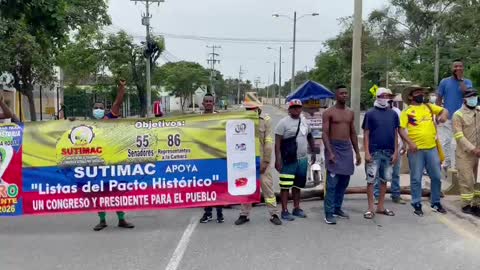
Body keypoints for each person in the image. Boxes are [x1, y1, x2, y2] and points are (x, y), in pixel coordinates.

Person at [399, 85, 449, 217]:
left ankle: (436, 202)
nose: (421, 94)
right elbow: (401, 129)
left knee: (437, 177)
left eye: (421, 92)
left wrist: (442, 117)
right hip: (416, 150)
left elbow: (445, 111)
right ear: (411, 96)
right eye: (417, 92)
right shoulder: (407, 112)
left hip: (432, 148)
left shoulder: (428, 107)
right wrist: (410, 143)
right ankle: (416, 203)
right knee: (416, 178)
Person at [92, 79, 135, 231]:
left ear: (105, 110)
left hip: (114, 162)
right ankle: (102, 220)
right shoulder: (87, 125)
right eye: (96, 108)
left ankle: (121, 219)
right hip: (97, 163)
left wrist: (122, 88)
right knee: (99, 193)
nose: (98, 109)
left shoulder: (110, 118)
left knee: (117, 191)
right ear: (92, 110)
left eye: (100, 108)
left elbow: (118, 102)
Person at [234, 97, 282, 225]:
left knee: (267, 188)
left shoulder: (266, 120)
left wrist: (265, 162)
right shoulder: (241, 120)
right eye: (247, 108)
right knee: (245, 187)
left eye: (252, 108)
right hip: (245, 161)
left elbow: (268, 142)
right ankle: (244, 214)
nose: (249, 111)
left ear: (258, 108)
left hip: (262, 161)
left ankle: (274, 214)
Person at [322, 85, 362, 225]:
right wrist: (330, 152)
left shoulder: (350, 112)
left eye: (346, 93)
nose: (344, 95)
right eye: (341, 93)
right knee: (332, 184)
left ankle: (337, 208)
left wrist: (357, 152)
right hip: (333, 147)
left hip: (346, 148)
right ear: (336, 96)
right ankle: (328, 212)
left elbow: (352, 133)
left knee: (344, 182)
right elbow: (325, 133)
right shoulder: (329, 112)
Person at [274, 99, 316, 221]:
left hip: (302, 159)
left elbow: (309, 136)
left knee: (298, 185)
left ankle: (296, 208)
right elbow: (277, 144)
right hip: (288, 159)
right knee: (285, 186)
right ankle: (284, 210)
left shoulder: (304, 121)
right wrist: (278, 160)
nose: (297, 109)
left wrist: (313, 151)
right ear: (289, 109)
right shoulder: (283, 123)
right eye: (294, 107)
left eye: (299, 107)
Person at [362, 88, 399, 219]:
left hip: (388, 152)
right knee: (371, 180)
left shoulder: (393, 114)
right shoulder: (370, 114)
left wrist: (396, 152)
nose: (385, 98)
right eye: (383, 96)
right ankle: (370, 207)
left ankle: (381, 207)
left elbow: (395, 134)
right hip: (374, 152)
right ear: (377, 97)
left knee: (384, 180)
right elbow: (366, 134)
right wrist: (366, 152)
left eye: (387, 96)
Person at [436, 59, 473, 171]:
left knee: (458, 143)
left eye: (460, 66)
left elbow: (467, 94)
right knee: (445, 142)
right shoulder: (444, 81)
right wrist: (438, 114)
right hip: (447, 117)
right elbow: (439, 98)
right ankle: (446, 164)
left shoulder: (467, 82)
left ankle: (456, 166)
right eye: (455, 66)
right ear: (452, 68)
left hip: (462, 118)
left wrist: (460, 79)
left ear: (463, 68)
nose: (458, 68)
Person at [452, 89, 480, 217]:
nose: (474, 99)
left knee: (476, 181)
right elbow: (459, 136)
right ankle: (466, 205)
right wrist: (473, 148)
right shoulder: (458, 115)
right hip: (464, 154)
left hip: (477, 154)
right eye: (471, 97)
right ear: (465, 100)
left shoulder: (478, 112)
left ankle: (476, 204)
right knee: (467, 180)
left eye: (475, 97)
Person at [373, 100, 407, 205]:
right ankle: (377, 196)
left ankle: (396, 195)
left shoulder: (396, 112)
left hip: (395, 147)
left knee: (395, 173)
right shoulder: (374, 112)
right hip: (379, 148)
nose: (388, 100)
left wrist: (404, 144)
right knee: (378, 173)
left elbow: (400, 129)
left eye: (390, 98)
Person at [199, 93, 224, 223]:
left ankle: (220, 213)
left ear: (214, 103)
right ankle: (208, 213)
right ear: (202, 103)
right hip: (203, 157)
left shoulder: (219, 117)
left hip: (217, 157)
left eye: (210, 101)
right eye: (206, 101)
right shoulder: (196, 119)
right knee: (206, 186)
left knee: (218, 185)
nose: (208, 103)